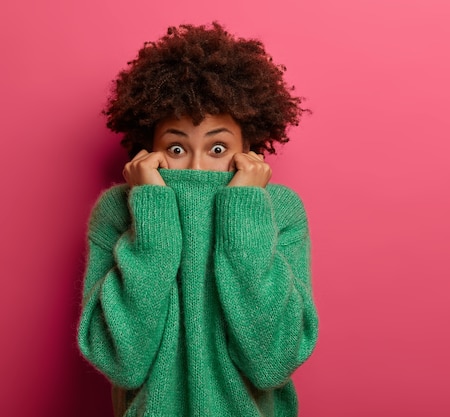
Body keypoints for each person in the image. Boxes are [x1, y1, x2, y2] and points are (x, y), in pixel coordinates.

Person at [77, 22, 319, 417]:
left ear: (249, 151)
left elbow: (273, 360)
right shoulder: (120, 209)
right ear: (147, 150)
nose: (196, 167)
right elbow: (121, 362)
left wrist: (244, 210)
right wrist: (152, 211)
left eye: (218, 147)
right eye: (175, 147)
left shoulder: (278, 209)